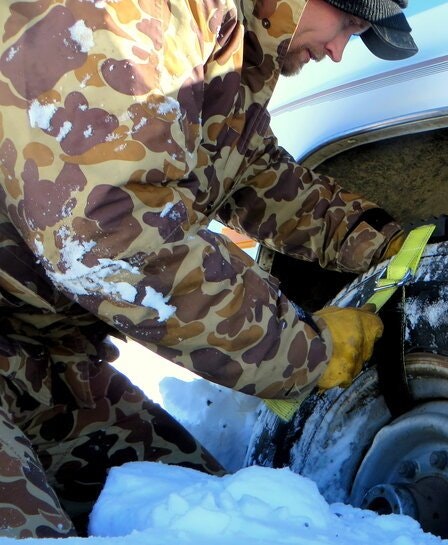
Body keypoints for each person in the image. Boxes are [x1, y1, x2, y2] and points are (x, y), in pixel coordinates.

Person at [0, 0, 416, 537]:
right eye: (349, 25)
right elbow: (110, 238)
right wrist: (307, 352)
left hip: (40, 356)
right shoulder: (134, 19)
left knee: (220, 516)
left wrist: (383, 241)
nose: (338, 52)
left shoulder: (224, 49)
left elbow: (253, 176)